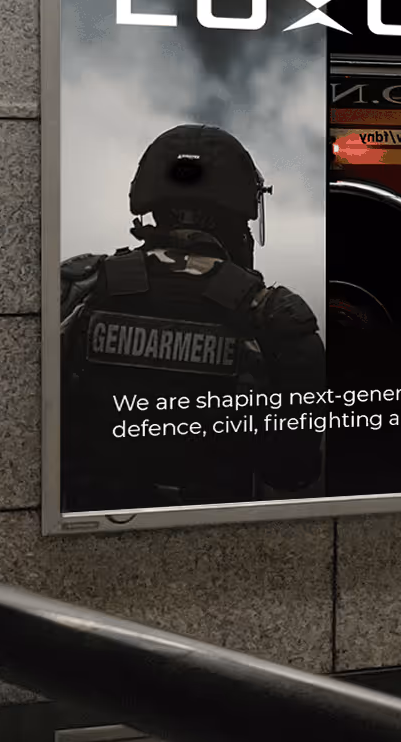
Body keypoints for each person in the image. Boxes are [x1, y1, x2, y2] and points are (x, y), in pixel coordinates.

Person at [60, 124, 325, 510]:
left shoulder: (78, 287)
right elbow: (291, 471)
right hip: (217, 538)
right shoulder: (274, 314)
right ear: (238, 214)